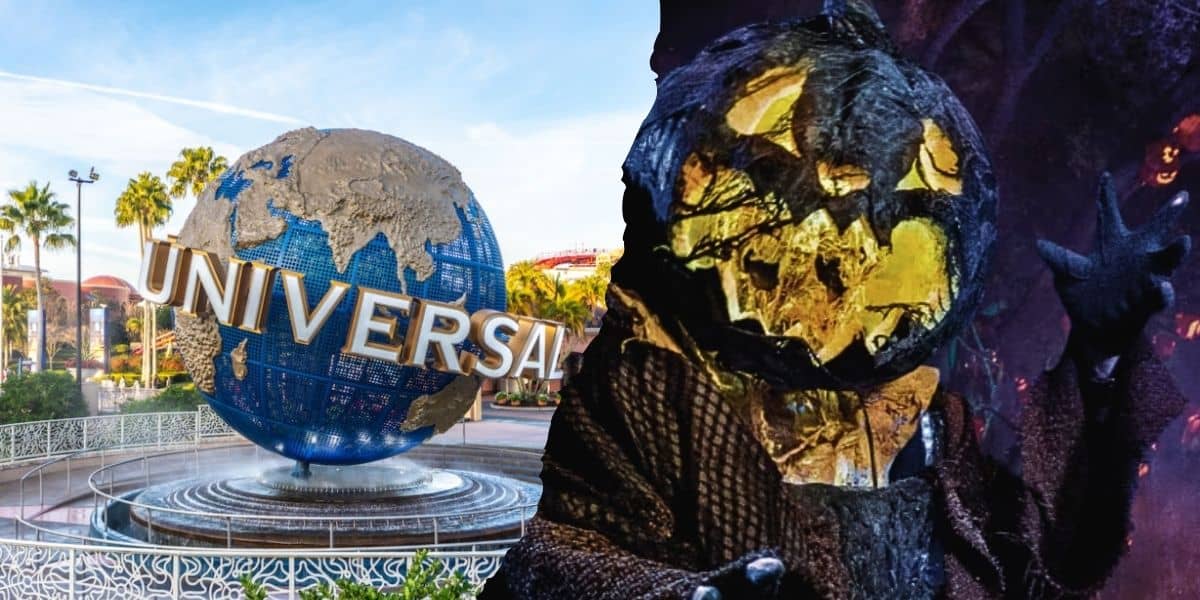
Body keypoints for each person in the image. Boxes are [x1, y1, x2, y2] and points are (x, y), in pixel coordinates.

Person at [480, 2, 1192, 598]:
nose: (843, 250)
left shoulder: (924, 420)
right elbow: (556, 553)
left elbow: (1041, 551)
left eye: (899, 211)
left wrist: (1095, 357)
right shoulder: (647, 399)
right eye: (785, 184)